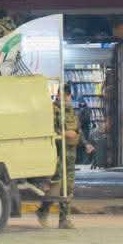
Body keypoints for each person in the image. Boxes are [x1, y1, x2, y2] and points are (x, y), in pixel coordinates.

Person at [37, 82, 81, 229]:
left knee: (68, 188)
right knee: (55, 187)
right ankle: (43, 210)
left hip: (70, 155)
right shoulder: (53, 110)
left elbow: (77, 130)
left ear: (69, 96)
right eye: (60, 95)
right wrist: (65, 133)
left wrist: (80, 139)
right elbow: (51, 130)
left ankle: (64, 219)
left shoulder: (71, 111)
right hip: (58, 155)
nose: (62, 98)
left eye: (65, 95)